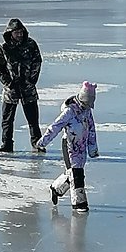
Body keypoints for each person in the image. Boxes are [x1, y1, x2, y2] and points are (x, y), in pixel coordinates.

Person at [35, 81, 99, 211]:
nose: (88, 106)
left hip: (81, 147)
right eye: (87, 103)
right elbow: (55, 127)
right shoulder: (69, 112)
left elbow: (91, 129)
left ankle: (56, 188)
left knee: (74, 173)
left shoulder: (87, 111)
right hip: (70, 146)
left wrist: (92, 149)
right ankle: (79, 204)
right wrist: (43, 142)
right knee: (77, 175)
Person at [0, 17, 42, 152]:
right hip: (11, 89)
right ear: (10, 33)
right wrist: (8, 82)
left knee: (33, 119)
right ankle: (7, 144)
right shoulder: (3, 47)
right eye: (16, 32)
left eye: (21, 32)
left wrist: (31, 80)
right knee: (7, 119)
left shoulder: (31, 44)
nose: (19, 35)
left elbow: (37, 62)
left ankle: (37, 143)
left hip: (28, 87)